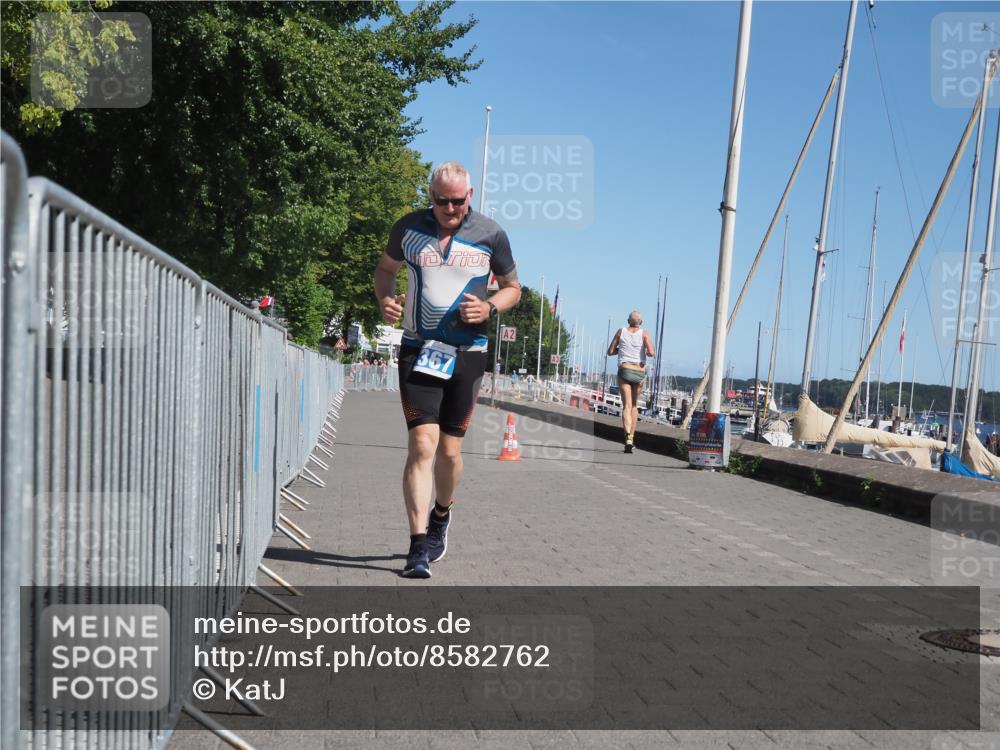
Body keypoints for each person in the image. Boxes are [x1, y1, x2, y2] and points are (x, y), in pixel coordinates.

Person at [374, 161, 521, 578]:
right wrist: (384, 299)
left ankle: (442, 512)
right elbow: (385, 271)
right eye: (442, 201)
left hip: (468, 352)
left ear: (469, 196)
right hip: (419, 348)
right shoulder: (408, 228)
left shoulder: (491, 234)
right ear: (431, 196)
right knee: (422, 444)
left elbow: (514, 288)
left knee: (450, 452)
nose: (450, 209)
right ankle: (417, 547)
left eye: (458, 201)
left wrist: (491, 305)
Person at [606, 311, 656, 453]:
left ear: (628, 321)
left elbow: (610, 351)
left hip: (625, 370)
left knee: (626, 406)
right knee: (634, 406)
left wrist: (621, 350)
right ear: (641, 322)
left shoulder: (621, 332)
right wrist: (646, 352)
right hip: (639, 372)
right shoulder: (644, 333)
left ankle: (627, 437)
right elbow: (651, 352)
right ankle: (632, 437)